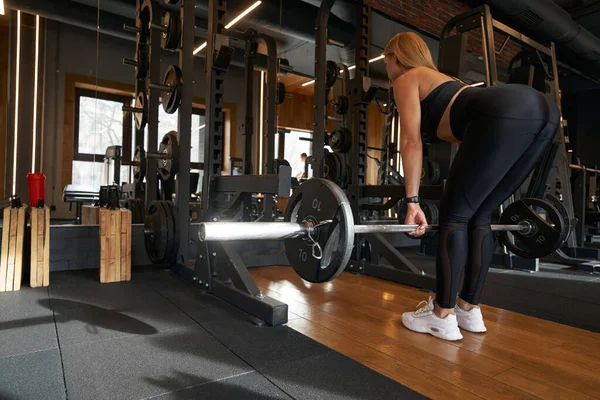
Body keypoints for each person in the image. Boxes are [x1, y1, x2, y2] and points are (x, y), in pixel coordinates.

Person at [383, 32, 559, 341]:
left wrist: (412, 201)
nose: (388, 70)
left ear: (395, 58)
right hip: (544, 112)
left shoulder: (407, 78)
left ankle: (441, 315)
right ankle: (468, 308)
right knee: (481, 215)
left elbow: (411, 142)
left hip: (510, 109)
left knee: (455, 216)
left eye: (387, 63)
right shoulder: (442, 79)